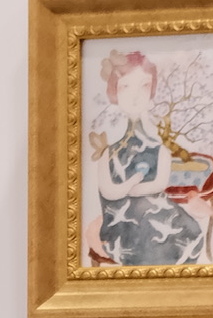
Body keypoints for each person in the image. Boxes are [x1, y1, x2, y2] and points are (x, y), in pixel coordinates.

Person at [88, 47, 205, 266]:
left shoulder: (159, 150)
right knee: (146, 239)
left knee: (188, 231)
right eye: (125, 86)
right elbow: (109, 191)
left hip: (157, 213)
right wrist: (131, 183)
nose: (135, 95)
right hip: (124, 224)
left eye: (144, 86)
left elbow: (158, 185)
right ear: (115, 92)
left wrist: (133, 189)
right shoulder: (109, 154)